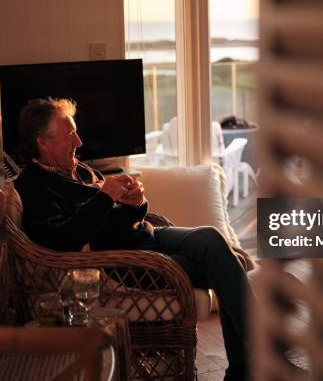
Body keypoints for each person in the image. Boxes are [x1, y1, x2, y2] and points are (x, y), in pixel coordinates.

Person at [14, 98, 251, 380]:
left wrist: (135, 203)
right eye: (69, 136)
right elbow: (62, 239)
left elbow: (117, 216)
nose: (78, 141)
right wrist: (105, 196)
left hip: (146, 235)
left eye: (76, 132)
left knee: (212, 239)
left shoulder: (79, 169)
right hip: (127, 259)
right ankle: (248, 361)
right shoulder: (35, 186)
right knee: (228, 264)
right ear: (42, 142)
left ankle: (245, 363)